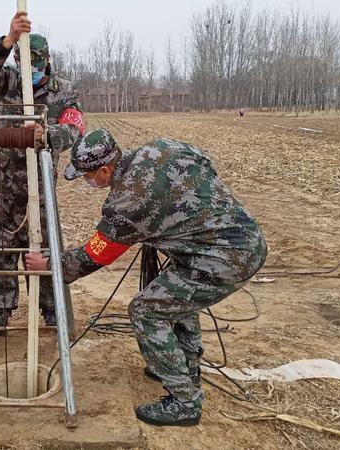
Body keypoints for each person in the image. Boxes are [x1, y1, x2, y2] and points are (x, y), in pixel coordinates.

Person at [26, 128, 267, 427]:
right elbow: (204, 162)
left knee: (146, 310)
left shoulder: (127, 203)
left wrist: (49, 264)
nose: (87, 183)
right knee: (175, 297)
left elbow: (93, 256)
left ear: (104, 170)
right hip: (243, 237)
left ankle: (184, 402)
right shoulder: (161, 148)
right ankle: (183, 366)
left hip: (225, 259)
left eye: (88, 177)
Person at [0, 12, 85, 329]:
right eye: (24, 64)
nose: (30, 71)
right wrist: (7, 40)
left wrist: (47, 136)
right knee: (0, 246)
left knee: (44, 247)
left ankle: (50, 309)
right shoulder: (8, 81)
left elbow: (75, 127)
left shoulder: (65, 91)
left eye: (35, 64)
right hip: (2, 182)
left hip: (40, 184)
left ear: (47, 61)